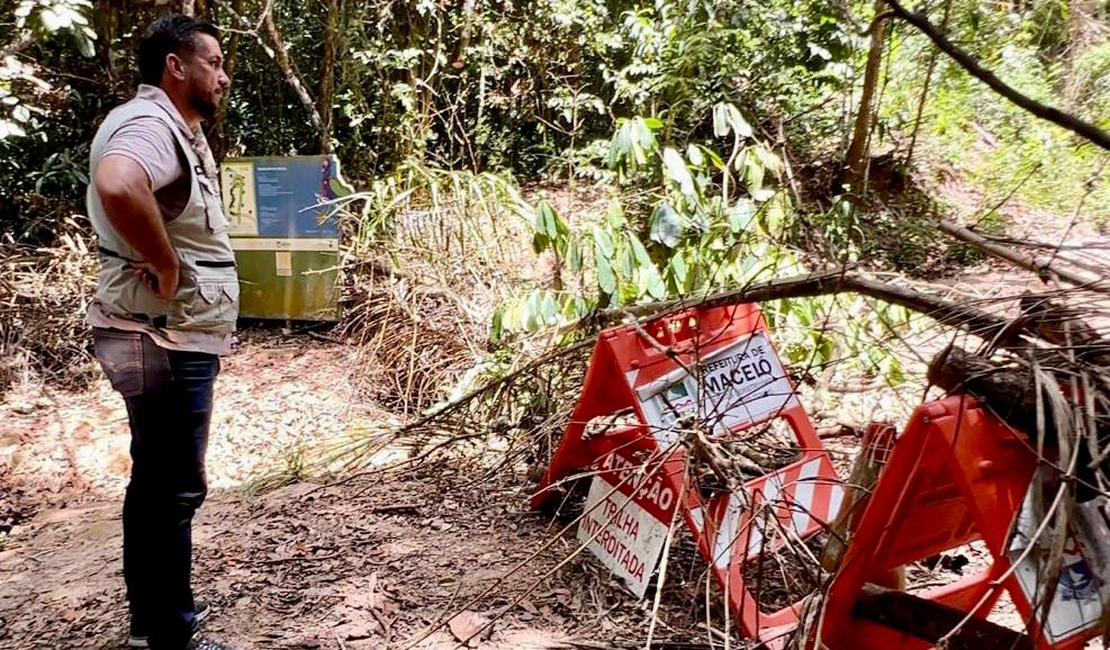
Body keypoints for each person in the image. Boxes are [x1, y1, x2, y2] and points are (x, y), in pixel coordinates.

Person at [86, 14, 237, 650]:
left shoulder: (173, 128)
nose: (222, 76)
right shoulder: (150, 124)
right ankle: (171, 636)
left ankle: (155, 619)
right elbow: (119, 182)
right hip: (162, 337)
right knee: (173, 488)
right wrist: (168, 264)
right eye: (213, 62)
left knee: (156, 482)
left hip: (157, 333)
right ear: (177, 67)